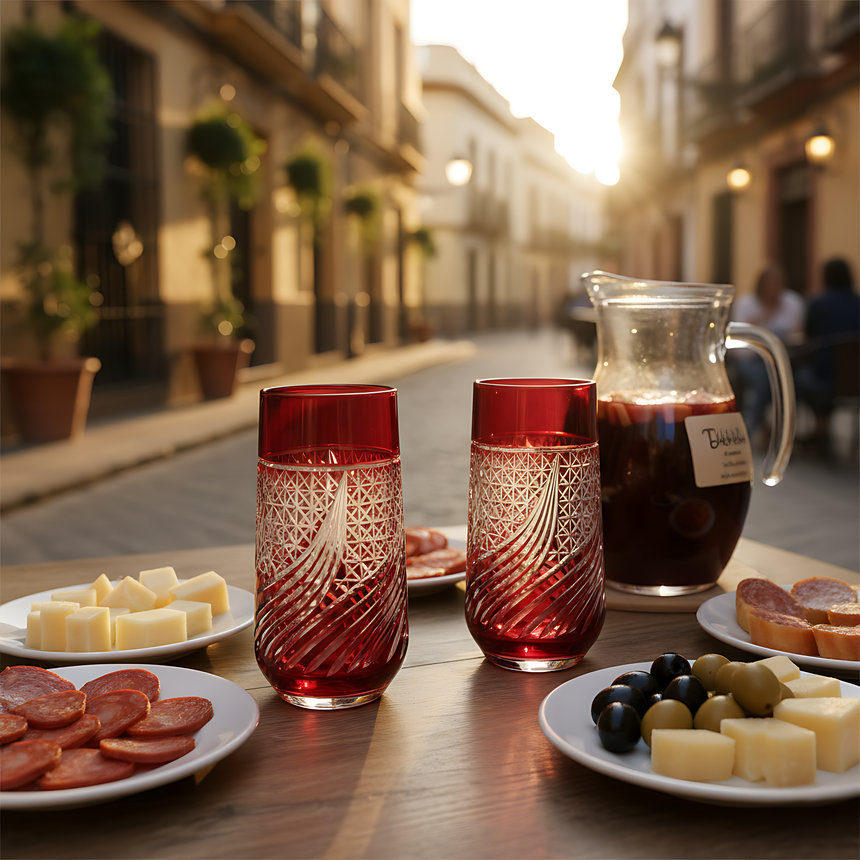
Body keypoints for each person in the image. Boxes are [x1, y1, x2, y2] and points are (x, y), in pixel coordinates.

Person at [730, 264, 805, 442]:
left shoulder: (792, 302)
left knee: (784, 377)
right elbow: (740, 338)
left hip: (783, 359)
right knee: (768, 377)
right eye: (770, 283)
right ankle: (762, 431)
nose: (774, 287)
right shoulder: (746, 303)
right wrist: (764, 317)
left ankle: (773, 432)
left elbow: (798, 333)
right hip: (749, 359)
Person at [794, 258, 860, 451]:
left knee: (798, 376)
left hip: (825, 375)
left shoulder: (818, 303)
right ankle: (821, 430)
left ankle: (819, 428)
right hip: (855, 380)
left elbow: (808, 338)